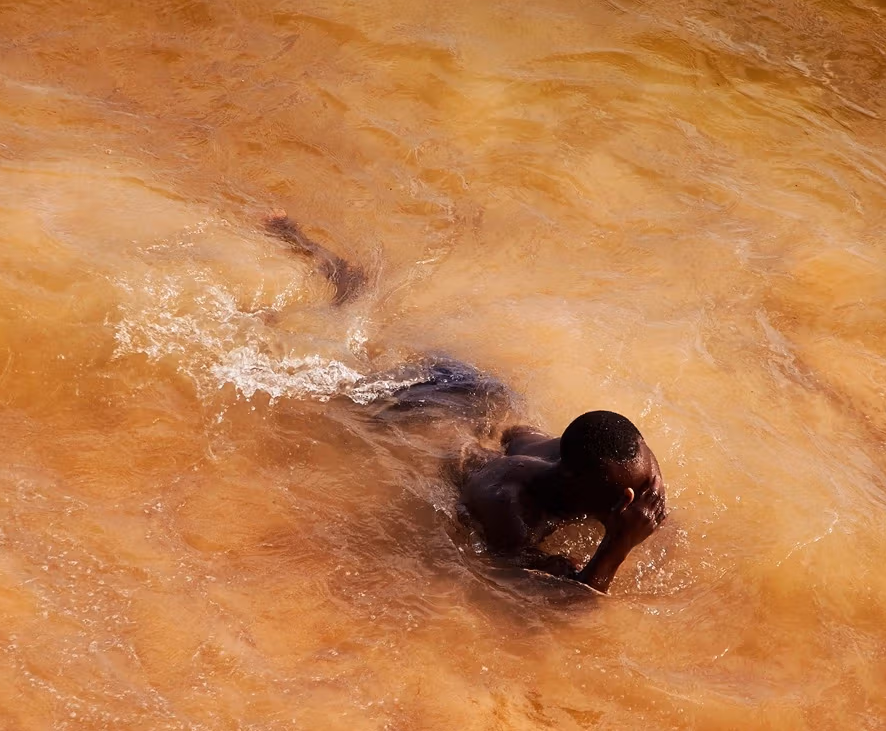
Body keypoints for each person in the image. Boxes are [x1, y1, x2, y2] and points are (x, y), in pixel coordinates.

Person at [262, 212, 668, 593]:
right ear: (618, 501)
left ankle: (316, 255)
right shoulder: (508, 506)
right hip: (421, 409)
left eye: (651, 480)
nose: (655, 494)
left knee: (374, 332)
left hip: (479, 391)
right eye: (645, 489)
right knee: (331, 361)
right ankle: (283, 277)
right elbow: (561, 608)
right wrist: (617, 547)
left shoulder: (585, 468)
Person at [455, 410, 668, 593]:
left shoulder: (625, 463)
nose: (642, 502)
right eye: (625, 498)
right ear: (579, 488)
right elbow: (574, 604)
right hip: (458, 441)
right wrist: (619, 543)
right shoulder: (511, 512)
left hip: (516, 434)